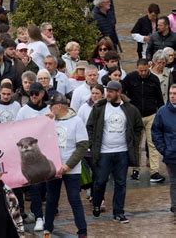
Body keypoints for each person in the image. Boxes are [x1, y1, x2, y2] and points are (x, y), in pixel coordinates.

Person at [87, 81, 143, 223]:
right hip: (104, 151)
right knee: (100, 181)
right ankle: (97, 204)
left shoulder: (130, 109)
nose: (108, 94)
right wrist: (93, 143)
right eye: (107, 91)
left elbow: (138, 127)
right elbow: (90, 126)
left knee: (121, 183)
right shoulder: (99, 108)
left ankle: (119, 212)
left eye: (111, 91)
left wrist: (133, 141)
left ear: (119, 92)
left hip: (122, 152)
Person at [44, 93, 88, 237]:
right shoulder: (50, 120)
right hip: (54, 168)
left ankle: (82, 230)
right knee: (51, 199)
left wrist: (68, 166)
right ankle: (47, 228)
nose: (49, 108)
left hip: (71, 169)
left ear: (58, 106)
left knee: (74, 199)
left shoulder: (77, 121)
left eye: (51, 106)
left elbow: (82, 146)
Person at [122, 59, 165, 183]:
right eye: (140, 70)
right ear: (137, 68)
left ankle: (154, 171)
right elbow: (121, 91)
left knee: (153, 144)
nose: (143, 73)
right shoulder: (130, 78)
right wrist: (127, 103)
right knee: (136, 143)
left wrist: (160, 114)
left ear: (149, 67)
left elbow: (160, 99)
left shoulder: (154, 79)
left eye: (145, 70)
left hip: (151, 115)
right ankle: (136, 170)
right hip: (135, 116)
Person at [152, 84, 176, 217]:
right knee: (174, 182)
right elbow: (155, 132)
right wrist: (163, 149)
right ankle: (175, 206)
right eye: (171, 93)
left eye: (175, 93)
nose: (172, 96)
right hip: (171, 154)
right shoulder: (162, 112)